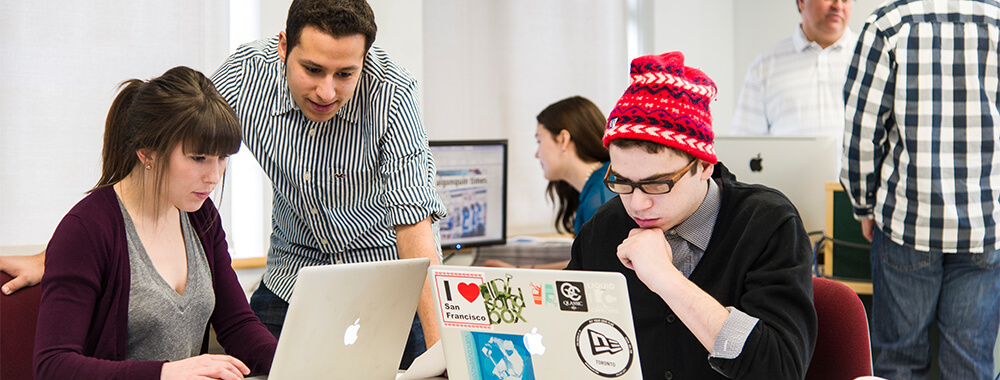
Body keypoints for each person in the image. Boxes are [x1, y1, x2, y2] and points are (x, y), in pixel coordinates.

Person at [7, 0, 446, 370]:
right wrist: (59, 255)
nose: (327, 91)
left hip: (382, 279)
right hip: (294, 274)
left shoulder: (200, 218)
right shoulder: (246, 76)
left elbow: (414, 225)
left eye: (345, 74)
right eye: (312, 69)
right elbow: (177, 119)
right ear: (282, 48)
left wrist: (440, 355)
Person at [566, 52, 816, 379]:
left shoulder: (767, 224)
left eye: (657, 184)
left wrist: (666, 279)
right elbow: (569, 342)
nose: (638, 204)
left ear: (704, 166)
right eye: (623, 182)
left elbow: (779, 369)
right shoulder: (604, 227)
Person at [33, 66, 276, 380]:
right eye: (199, 158)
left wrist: (296, 366)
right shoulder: (87, 230)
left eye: (222, 158)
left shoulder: (202, 216)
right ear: (147, 154)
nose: (214, 176)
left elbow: (237, 324)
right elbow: (53, 367)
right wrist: (165, 373)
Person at [841, 1, 1000, 378]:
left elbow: (862, 134)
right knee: (970, 363)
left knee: (899, 361)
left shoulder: (888, 25)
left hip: (907, 222)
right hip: (985, 226)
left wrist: (863, 207)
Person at [482, 96, 615, 269]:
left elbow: (594, 274)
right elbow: (583, 264)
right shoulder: (601, 182)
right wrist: (521, 272)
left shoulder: (598, 198)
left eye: (539, 141)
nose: (537, 154)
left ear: (563, 140)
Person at [730, 0, 855, 136]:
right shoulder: (764, 66)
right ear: (801, 2)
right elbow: (746, 141)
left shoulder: (870, 57)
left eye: (845, 0)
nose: (838, 6)